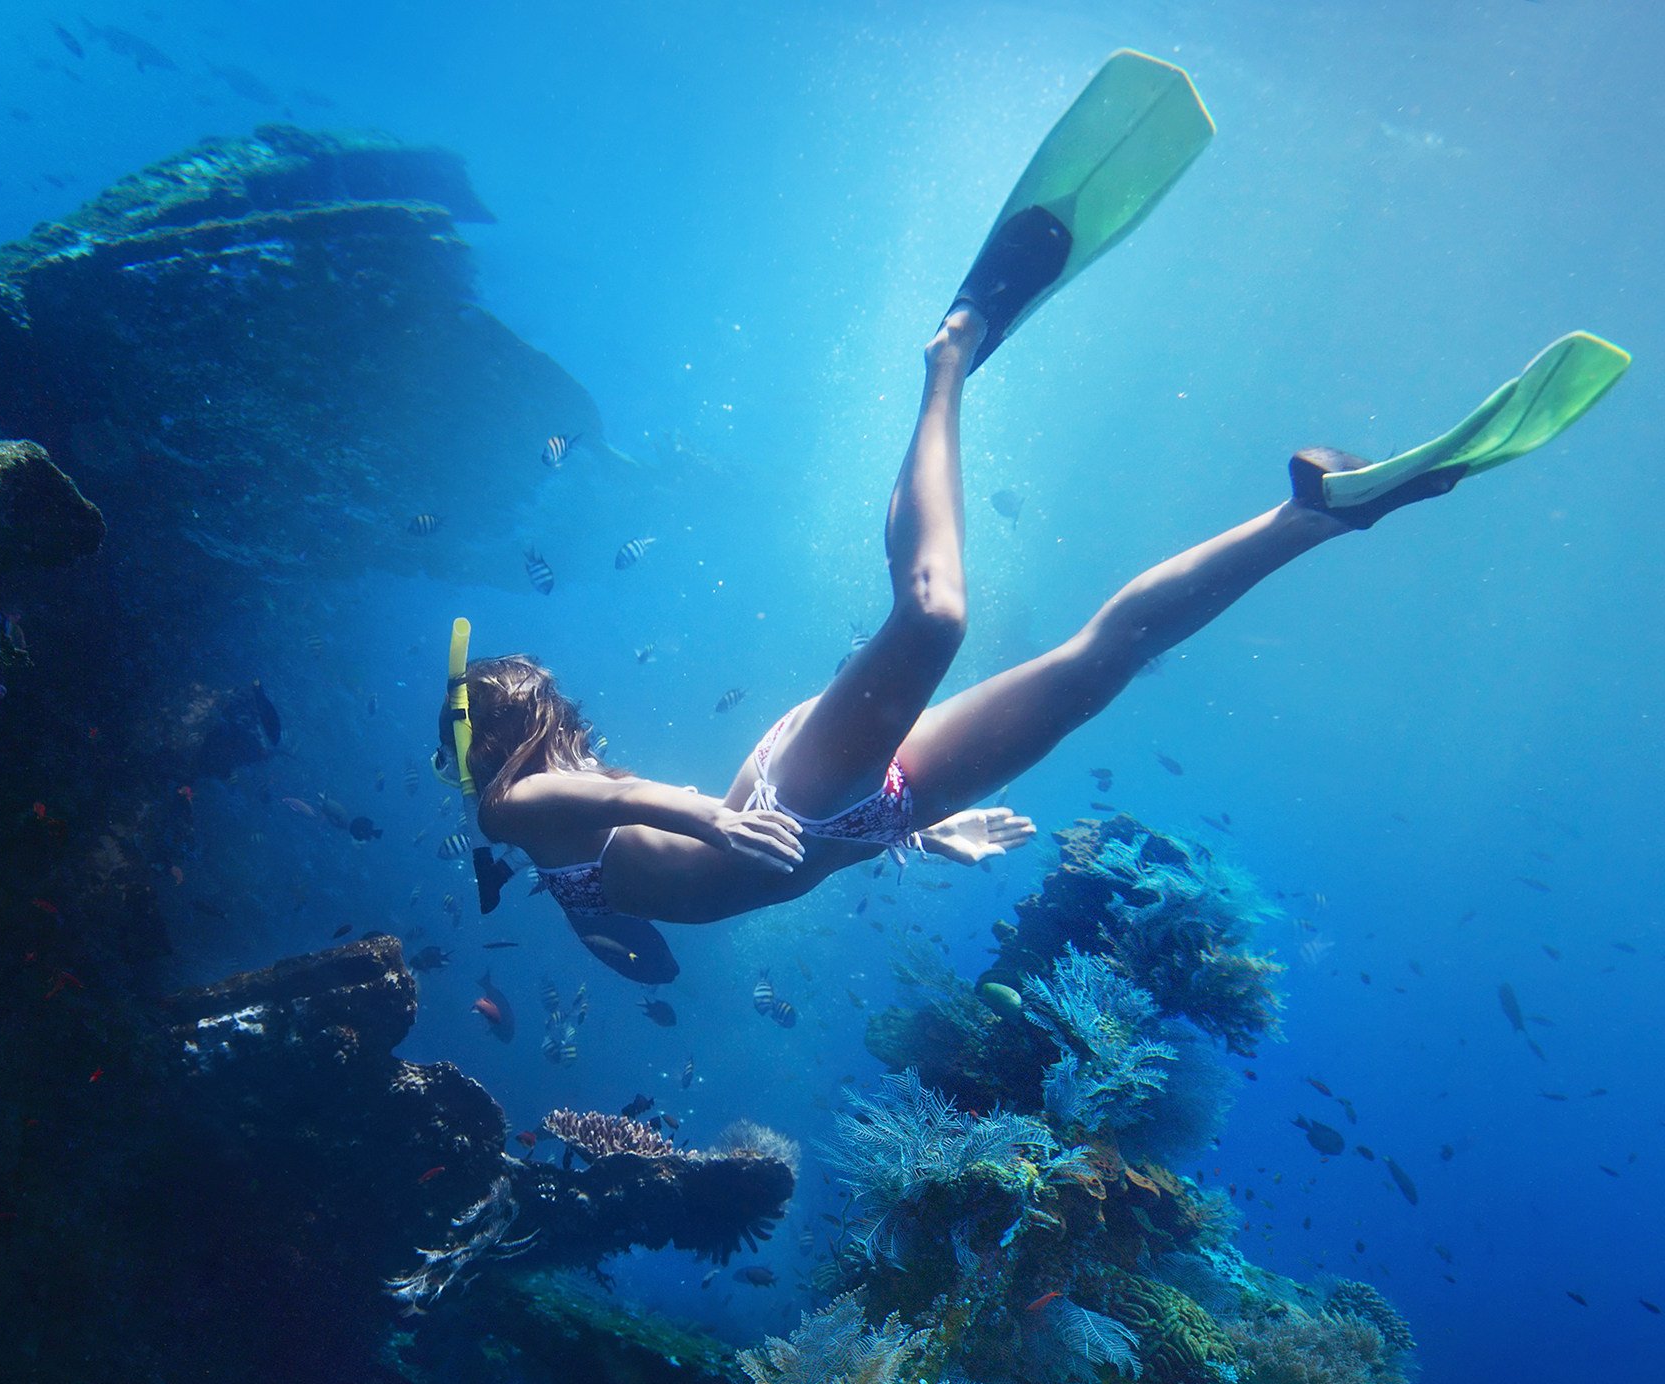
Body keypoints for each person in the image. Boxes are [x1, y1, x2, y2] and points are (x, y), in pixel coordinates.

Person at [439, 52, 1627, 985]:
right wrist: (900, 838)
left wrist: (703, 813)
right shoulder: (539, 853)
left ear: (488, 742)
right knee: (1100, 664)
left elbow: (615, 803)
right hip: (859, 817)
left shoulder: (511, 805)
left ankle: (951, 352)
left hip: (791, 796)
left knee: (937, 616)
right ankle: (1313, 518)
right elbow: (639, 915)